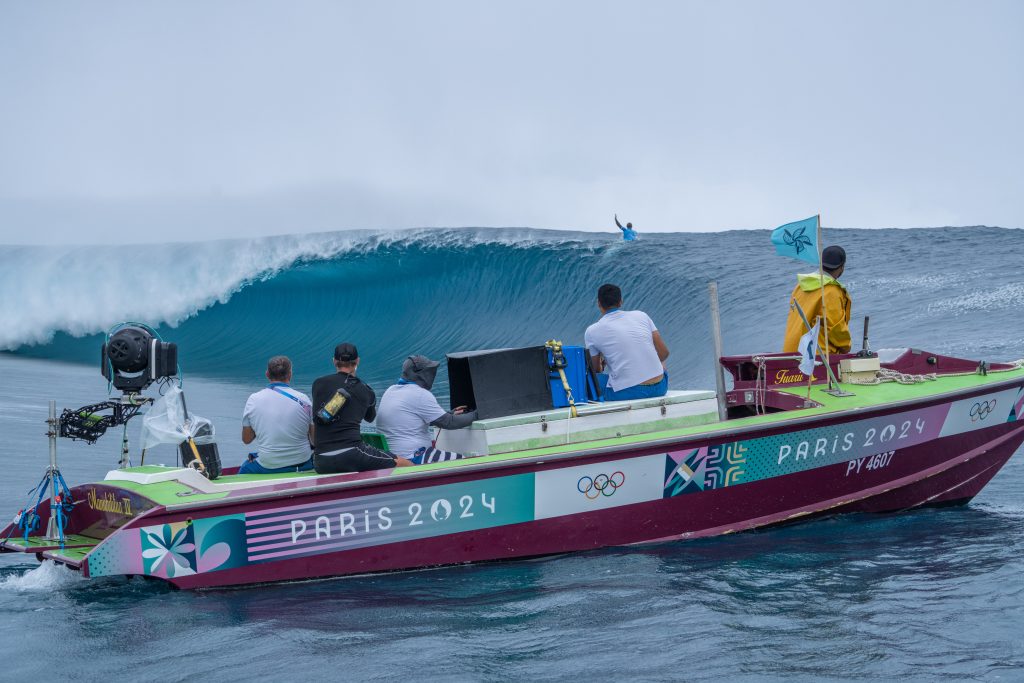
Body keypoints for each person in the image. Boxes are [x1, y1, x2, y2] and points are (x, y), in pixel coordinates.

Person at [311, 343, 414, 473]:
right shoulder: (365, 390)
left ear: (334, 361)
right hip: (352, 454)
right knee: (405, 463)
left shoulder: (318, 383)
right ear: (358, 361)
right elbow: (370, 418)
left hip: (321, 461)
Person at [376, 355, 478, 464]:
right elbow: (449, 422)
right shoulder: (419, 394)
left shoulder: (391, 390)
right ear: (421, 374)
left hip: (392, 456)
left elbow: (408, 421)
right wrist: (479, 413)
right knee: (463, 461)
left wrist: (448, 414)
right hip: (413, 456)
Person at [584, 283, 670, 401]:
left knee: (589, 380)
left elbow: (595, 370)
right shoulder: (642, 316)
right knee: (656, 353)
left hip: (630, 392)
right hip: (660, 387)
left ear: (599, 303)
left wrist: (601, 364)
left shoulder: (592, 331)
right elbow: (664, 353)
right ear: (621, 302)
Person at [239, 356, 314, 474]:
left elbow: (247, 439)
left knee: (245, 467)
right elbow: (314, 440)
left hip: (268, 464)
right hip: (302, 462)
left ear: (267, 374)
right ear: (290, 374)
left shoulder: (254, 399)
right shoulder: (304, 400)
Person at [782, 245, 852, 355]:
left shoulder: (800, 286)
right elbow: (835, 328)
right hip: (816, 357)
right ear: (842, 267)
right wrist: (845, 346)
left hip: (791, 351)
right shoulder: (831, 291)